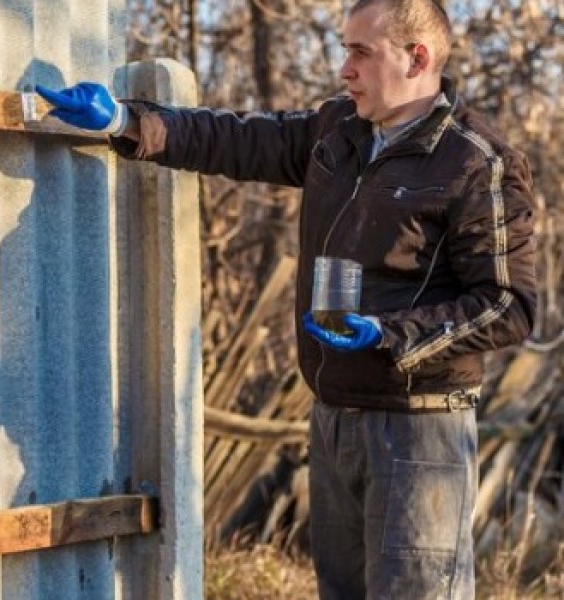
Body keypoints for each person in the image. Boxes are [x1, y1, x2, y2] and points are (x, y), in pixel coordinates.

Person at [36, 0, 537, 598]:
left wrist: (389, 334)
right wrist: (123, 120)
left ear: (418, 57)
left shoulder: (476, 162)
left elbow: (509, 305)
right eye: (343, 49)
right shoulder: (339, 131)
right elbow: (235, 140)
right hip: (332, 419)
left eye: (360, 52)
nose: (343, 69)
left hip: (420, 430)